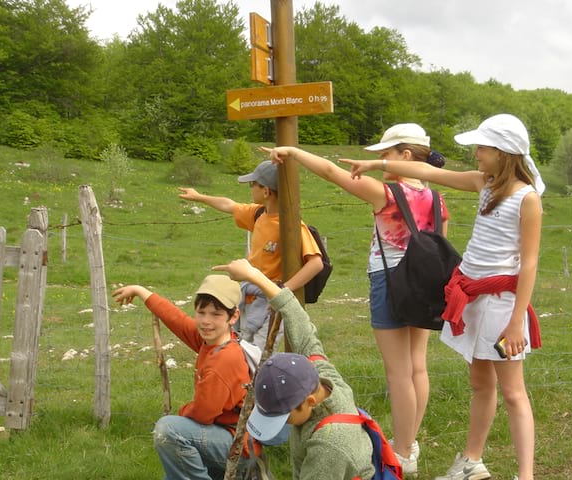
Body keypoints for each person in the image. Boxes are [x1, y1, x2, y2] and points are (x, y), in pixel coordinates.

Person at [341, 113, 544, 480]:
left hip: (502, 306)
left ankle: (525, 475)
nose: (477, 153)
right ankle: (471, 462)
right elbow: (431, 174)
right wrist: (376, 162)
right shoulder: (484, 184)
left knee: (513, 392)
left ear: (503, 151)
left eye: (482, 147)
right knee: (480, 383)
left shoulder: (527, 199)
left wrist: (516, 322)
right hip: (473, 300)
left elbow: (528, 265)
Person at [261, 123, 450, 476]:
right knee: (417, 365)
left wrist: (296, 153)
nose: (381, 160)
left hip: (390, 281)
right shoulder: (438, 199)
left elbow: (333, 173)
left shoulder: (388, 193)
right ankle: (411, 442)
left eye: (386, 154)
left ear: (405, 156)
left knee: (398, 373)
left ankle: (404, 451)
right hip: (427, 285)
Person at [213, 258, 376, 480]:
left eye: (283, 417)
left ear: (309, 401)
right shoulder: (322, 375)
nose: (282, 423)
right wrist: (253, 275)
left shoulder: (329, 447)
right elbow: (295, 315)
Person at [111, 275, 258, 480]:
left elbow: (202, 414)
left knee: (169, 430)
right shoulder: (214, 340)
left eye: (216, 314)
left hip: (237, 448)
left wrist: (182, 412)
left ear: (233, 317)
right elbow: (176, 319)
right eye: (201, 312)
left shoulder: (225, 359)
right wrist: (140, 290)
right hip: (224, 437)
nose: (206, 321)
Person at [179, 161, 323, 351]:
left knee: (259, 353)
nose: (250, 188)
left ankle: (253, 380)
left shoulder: (290, 226)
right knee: (240, 344)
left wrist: (282, 292)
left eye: (252, 184)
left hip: (270, 298)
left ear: (266, 192)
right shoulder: (259, 214)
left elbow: (316, 264)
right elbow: (229, 205)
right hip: (249, 296)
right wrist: (199, 197)